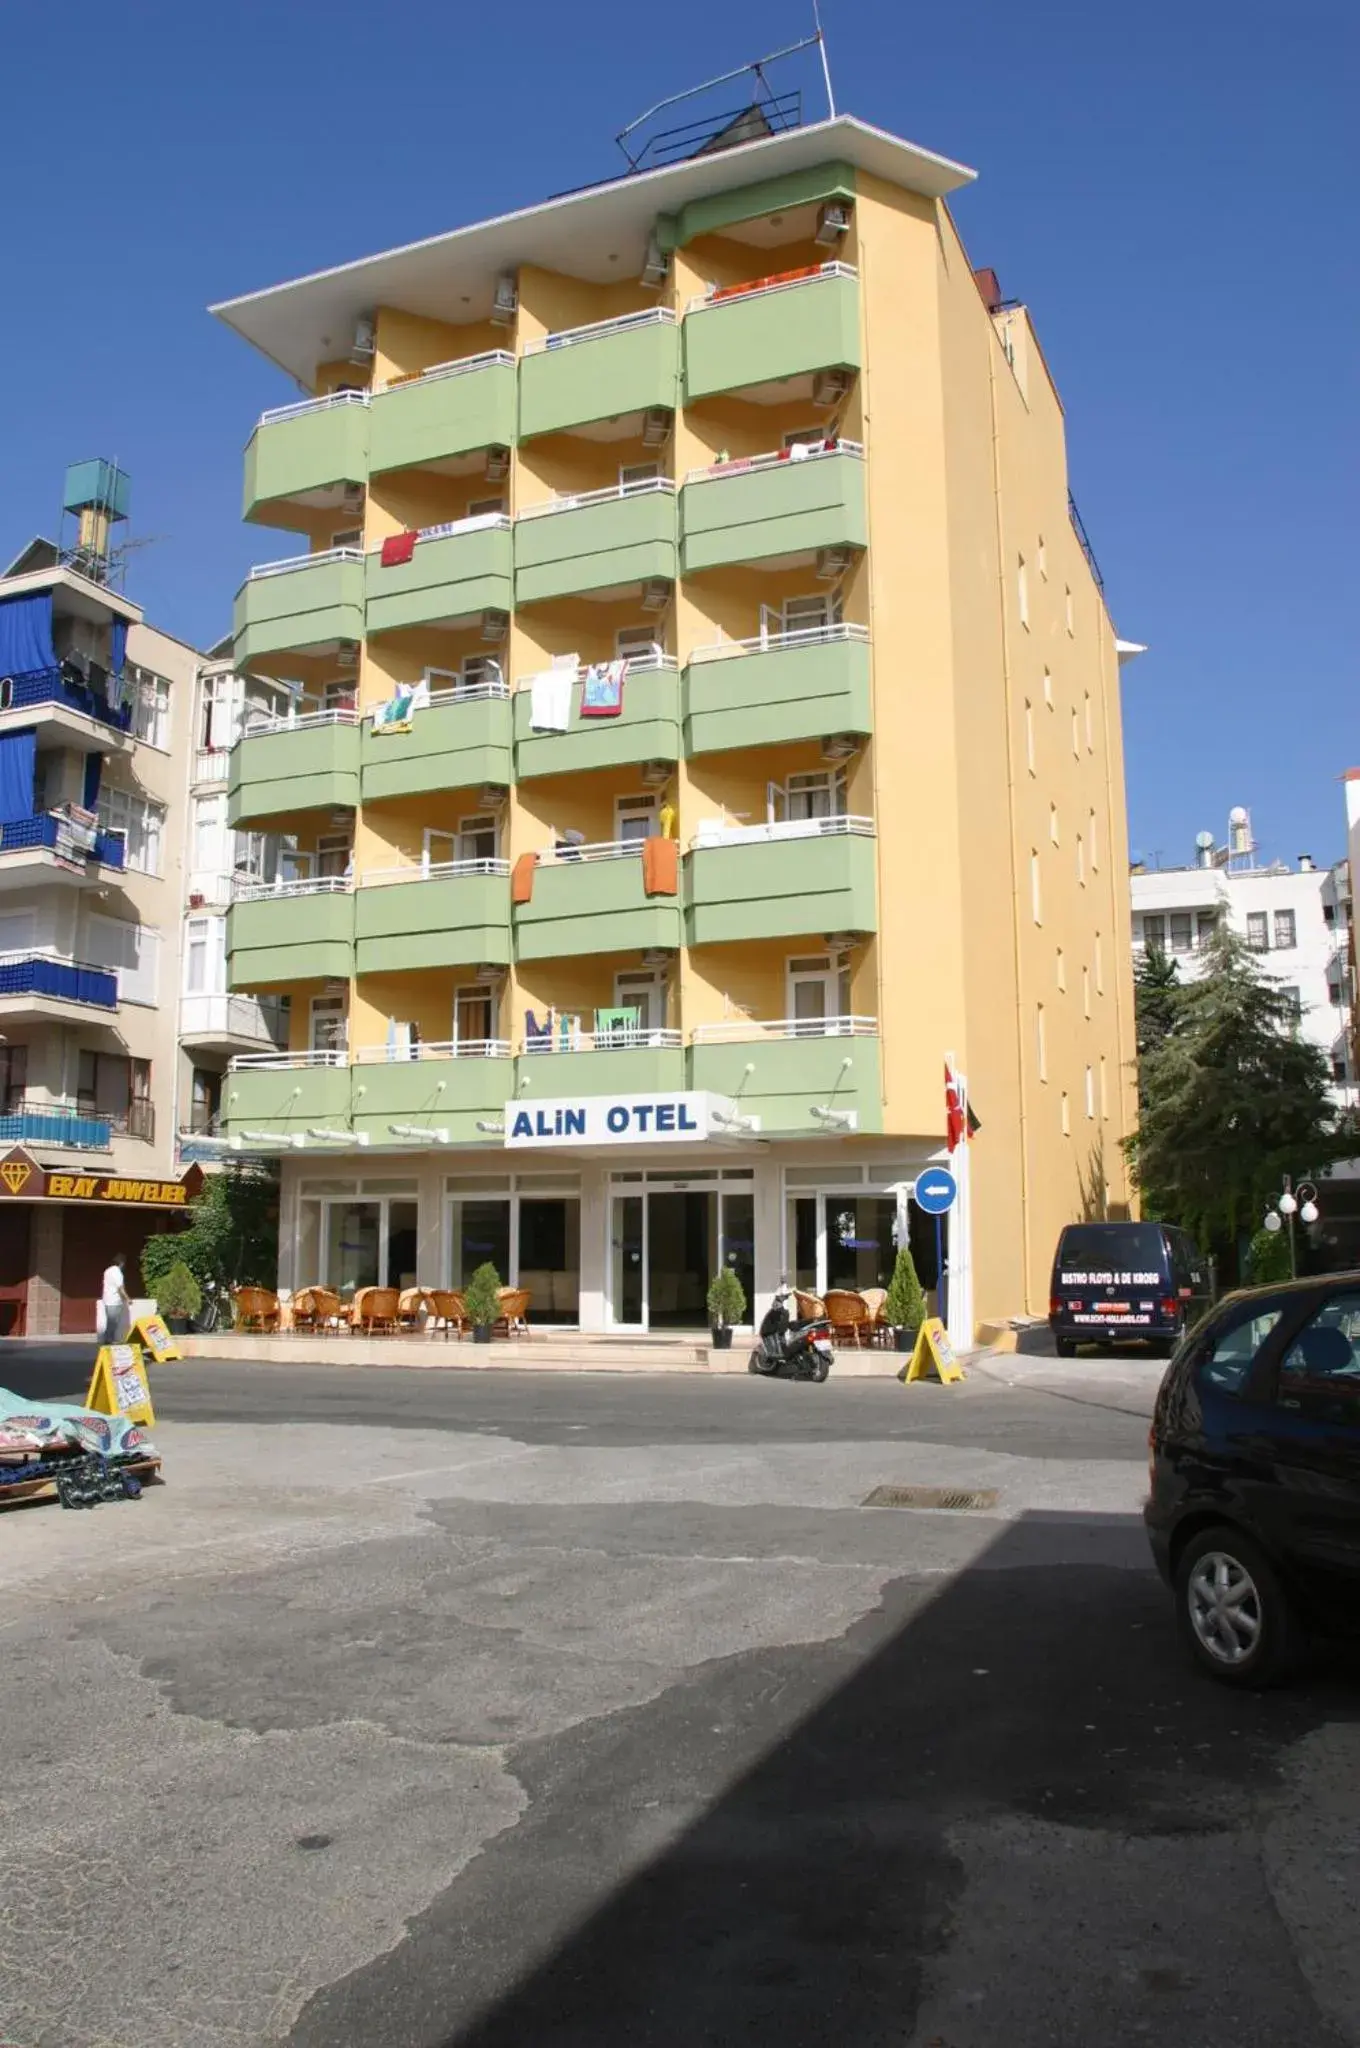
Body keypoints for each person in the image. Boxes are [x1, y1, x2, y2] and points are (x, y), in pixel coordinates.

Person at [98, 1253, 131, 1344]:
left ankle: (108, 1339)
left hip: (107, 1299)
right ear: (122, 1263)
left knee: (110, 1321)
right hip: (114, 1300)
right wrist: (128, 1299)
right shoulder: (117, 1272)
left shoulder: (107, 1270)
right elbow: (120, 1288)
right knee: (113, 1322)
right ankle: (109, 1340)